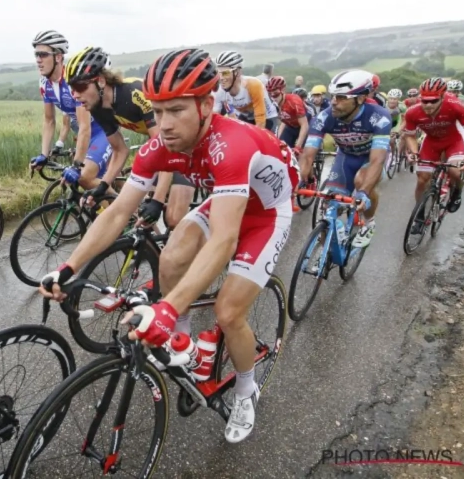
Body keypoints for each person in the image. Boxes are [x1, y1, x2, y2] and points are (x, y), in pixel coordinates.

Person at [39, 48, 297, 444]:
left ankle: (246, 391)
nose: (164, 125)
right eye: (158, 113)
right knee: (172, 256)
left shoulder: (231, 144)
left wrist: (168, 306)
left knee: (229, 312)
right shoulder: (160, 145)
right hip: (226, 198)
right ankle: (186, 345)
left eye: (176, 110)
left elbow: (227, 237)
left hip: (265, 214)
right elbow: (116, 213)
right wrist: (68, 267)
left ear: (207, 105)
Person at [64, 46, 195, 229]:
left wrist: (157, 200)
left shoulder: (135, 95)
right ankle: (154, 251)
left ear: (101, 81)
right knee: (139, 214)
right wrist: (103, 186)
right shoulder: (98, 107)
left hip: (187, 147)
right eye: (71, 89)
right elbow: (120, 150)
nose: (75, 95)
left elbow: (165, 149)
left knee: (173, 219)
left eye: (80, 87)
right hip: (164, 147)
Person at [299, 69, 392, 248]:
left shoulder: (379, 117)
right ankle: (327, 253)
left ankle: (369, 223)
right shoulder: (324, 117)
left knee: (361, 182)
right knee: (329, 205)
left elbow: (377, 161)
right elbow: (308, 155)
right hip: (346, 158)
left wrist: (364, 193)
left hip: (370, 159)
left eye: (342, 98)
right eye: (334, 96)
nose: (334, 102)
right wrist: (298, 182)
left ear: (361, 98)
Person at [29, 30, 112, 191]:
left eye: (43, 54)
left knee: (85, 179)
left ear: (58, 57)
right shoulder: (44, 84)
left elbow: (85, 126)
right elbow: (49, 120)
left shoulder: (73, 81)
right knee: (102, 180)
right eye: (36, 55)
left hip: (103, 131)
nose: (38, 60)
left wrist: (75, 165)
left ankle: (127, 212)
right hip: (86, 135)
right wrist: (44, 155)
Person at [402, 78, 464, 231]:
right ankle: (419, 216)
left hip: (454, 140)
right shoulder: (413, 112)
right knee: (422, 179)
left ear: (443, 97)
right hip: (432, 141)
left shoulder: (455, 106)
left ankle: (457, 190)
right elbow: (409, 135)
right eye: (424, 101)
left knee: (455, 171)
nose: (428, 105)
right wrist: (414, 152)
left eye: (433, 101)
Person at [267, 76, 309, 212]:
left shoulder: (294, 101)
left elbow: (304, 125)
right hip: (290, 126)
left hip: (304, 126)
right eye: (270, 93)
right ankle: (287, 196)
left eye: (275, 92)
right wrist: (277, 141)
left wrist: (298, 146)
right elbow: (283, 122)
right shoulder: (274, 103)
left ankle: (311, 178)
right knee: (282, 155)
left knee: (301, 156)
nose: (273, 96)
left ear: (282, 90)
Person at [215, 51, 279, 130]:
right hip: (246, 115)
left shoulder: (253, 85)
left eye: (225, 73)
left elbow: (260, 121)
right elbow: (217, 118)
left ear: (237, 72)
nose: (221, 78)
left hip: (267, 116)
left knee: (264, 140)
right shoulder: (220, 91)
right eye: (218, 73)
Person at [386, 89, 408, 160]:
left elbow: (404, 120)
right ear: (388, 98)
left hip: (396, 122)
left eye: (395, 99)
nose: (392, 101)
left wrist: (398, 131)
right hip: (386, 121)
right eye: (391, 98)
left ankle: (393, 156)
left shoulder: (402, 107)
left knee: (392, 140)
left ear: (398, 100)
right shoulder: (384, 104)